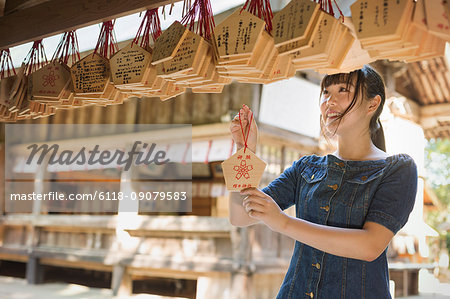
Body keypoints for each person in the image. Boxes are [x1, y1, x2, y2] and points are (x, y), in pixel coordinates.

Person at [228, 65, 418, 299]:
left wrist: (284, 223)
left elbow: (370, 245)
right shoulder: (305, 168)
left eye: (343, 90)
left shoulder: (397, 169)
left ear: (373, 104)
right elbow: (240, 216)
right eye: (326, 92)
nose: (330, 100)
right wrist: (243, 151)